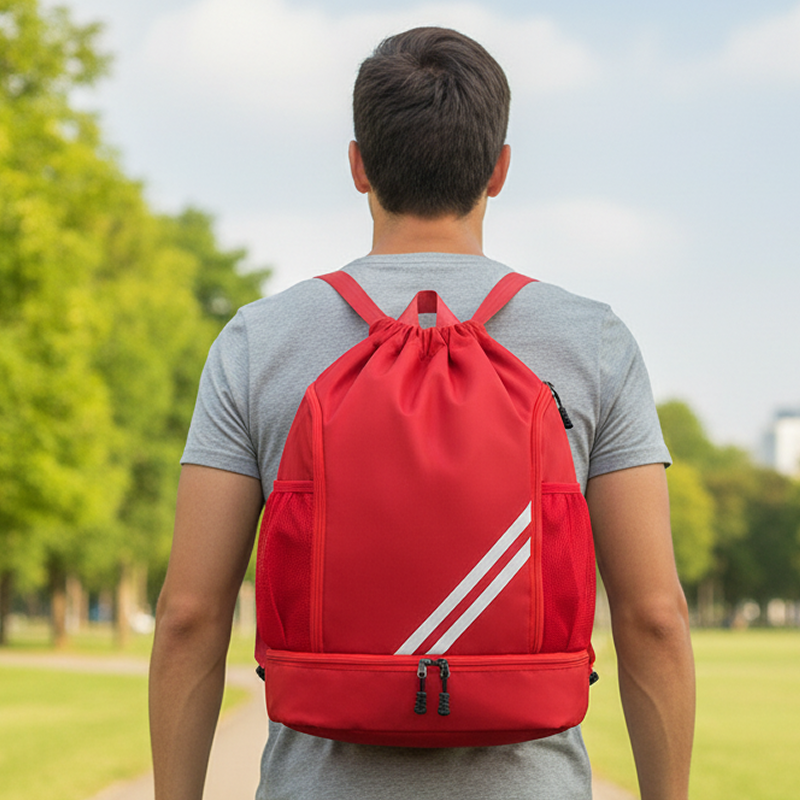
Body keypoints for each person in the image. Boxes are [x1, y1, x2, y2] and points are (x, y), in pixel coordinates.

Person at [149, 26, 695, 800]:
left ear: (358, 166)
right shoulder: (592, 341)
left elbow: (189, 615)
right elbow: (654, 617)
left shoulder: (259, 341)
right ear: (499, 169)